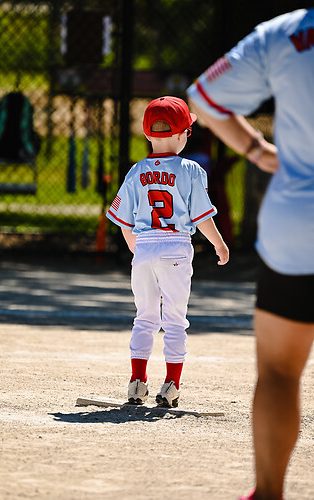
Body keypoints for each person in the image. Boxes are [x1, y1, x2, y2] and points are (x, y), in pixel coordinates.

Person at [187, 8, 314, 500]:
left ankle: (268, 494)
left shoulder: (285, 33)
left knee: (280, 371)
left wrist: (258, 149)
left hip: (299, 225)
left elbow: (204, 97)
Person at [106, 96, 229, 408]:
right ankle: (171, 384)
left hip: (144, 247)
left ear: (147, 134)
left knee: (144, 317)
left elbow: (123, 221)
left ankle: (136, 382)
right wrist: (218, 242)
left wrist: (138, 249)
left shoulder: (135, 171)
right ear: (183, 134)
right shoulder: (191, 169)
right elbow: (202, 216)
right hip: (174, 246)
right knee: (175, 319)